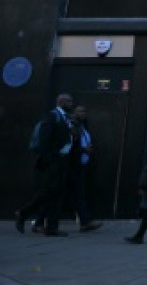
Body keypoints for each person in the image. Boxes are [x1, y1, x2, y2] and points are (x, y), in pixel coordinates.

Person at [15, 92, 76, 237]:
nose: (71, 104)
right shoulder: (52, 116)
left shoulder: (66, 118)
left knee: (57, 194)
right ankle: (24, 213)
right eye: (69, 101)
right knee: (49, 192)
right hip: (53, 160)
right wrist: (48, 158)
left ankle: (51, 227)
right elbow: (44, 140)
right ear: (61, 102)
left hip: (62, 159)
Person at [66, 104, 102, 232]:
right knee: (74, 193)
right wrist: (83, 150)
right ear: (74, 112)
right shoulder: (71, 125)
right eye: (80, 111)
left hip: (80, 164)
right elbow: (68, 146)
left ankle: (85, 221)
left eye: (85, 111)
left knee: (77, 193)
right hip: (72, 165)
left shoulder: (82, 126)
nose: (83, 113)